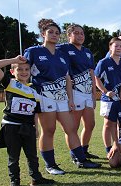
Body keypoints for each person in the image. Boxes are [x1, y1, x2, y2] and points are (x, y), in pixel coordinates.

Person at [24, 19, 100, 175]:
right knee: (49, 130)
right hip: (44, 96)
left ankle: (81, 159)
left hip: (62, 97)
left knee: (71, 128)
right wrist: (26, 93)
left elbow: (66, 78)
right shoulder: (33, 51)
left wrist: (70, 99)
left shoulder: (61, 54)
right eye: (50, 32)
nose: (54, 35)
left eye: (57, 33)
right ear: (42, 34)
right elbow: (23, 71)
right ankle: (50, 164)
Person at [0, 55, 55, 186]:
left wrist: (36, 128)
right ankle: (14, 181)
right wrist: (14, 61)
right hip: (11, 126)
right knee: (14, 156)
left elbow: (35, 112)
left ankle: (36, 178)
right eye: (20, 69)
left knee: (32, 155)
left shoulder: (34, 90)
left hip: (28, 128)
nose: (24, 72)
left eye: (27, 69)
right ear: (12, 72)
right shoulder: (9, 83)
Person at [57, 24, 99, 159]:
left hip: (87, 93)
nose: (80, 36)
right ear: (69, 35)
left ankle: (83, 150)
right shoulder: (63, 48)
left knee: (90, 124)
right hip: (74, 92)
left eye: (82, 33)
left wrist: (93, 94)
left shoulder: (87, 52)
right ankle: (75, 154)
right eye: (76, 33)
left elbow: (92, 73)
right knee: (72, 127)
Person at [95, 37, 121, 157]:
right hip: (108, 100)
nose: (119, 48)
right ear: (110, 47)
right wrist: (105, 91)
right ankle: (108, 148)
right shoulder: (104, 62)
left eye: (120, 46)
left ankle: (118, 147)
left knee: (119, 124)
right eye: (116, 46)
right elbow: (96, 79)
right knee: (108, 124)